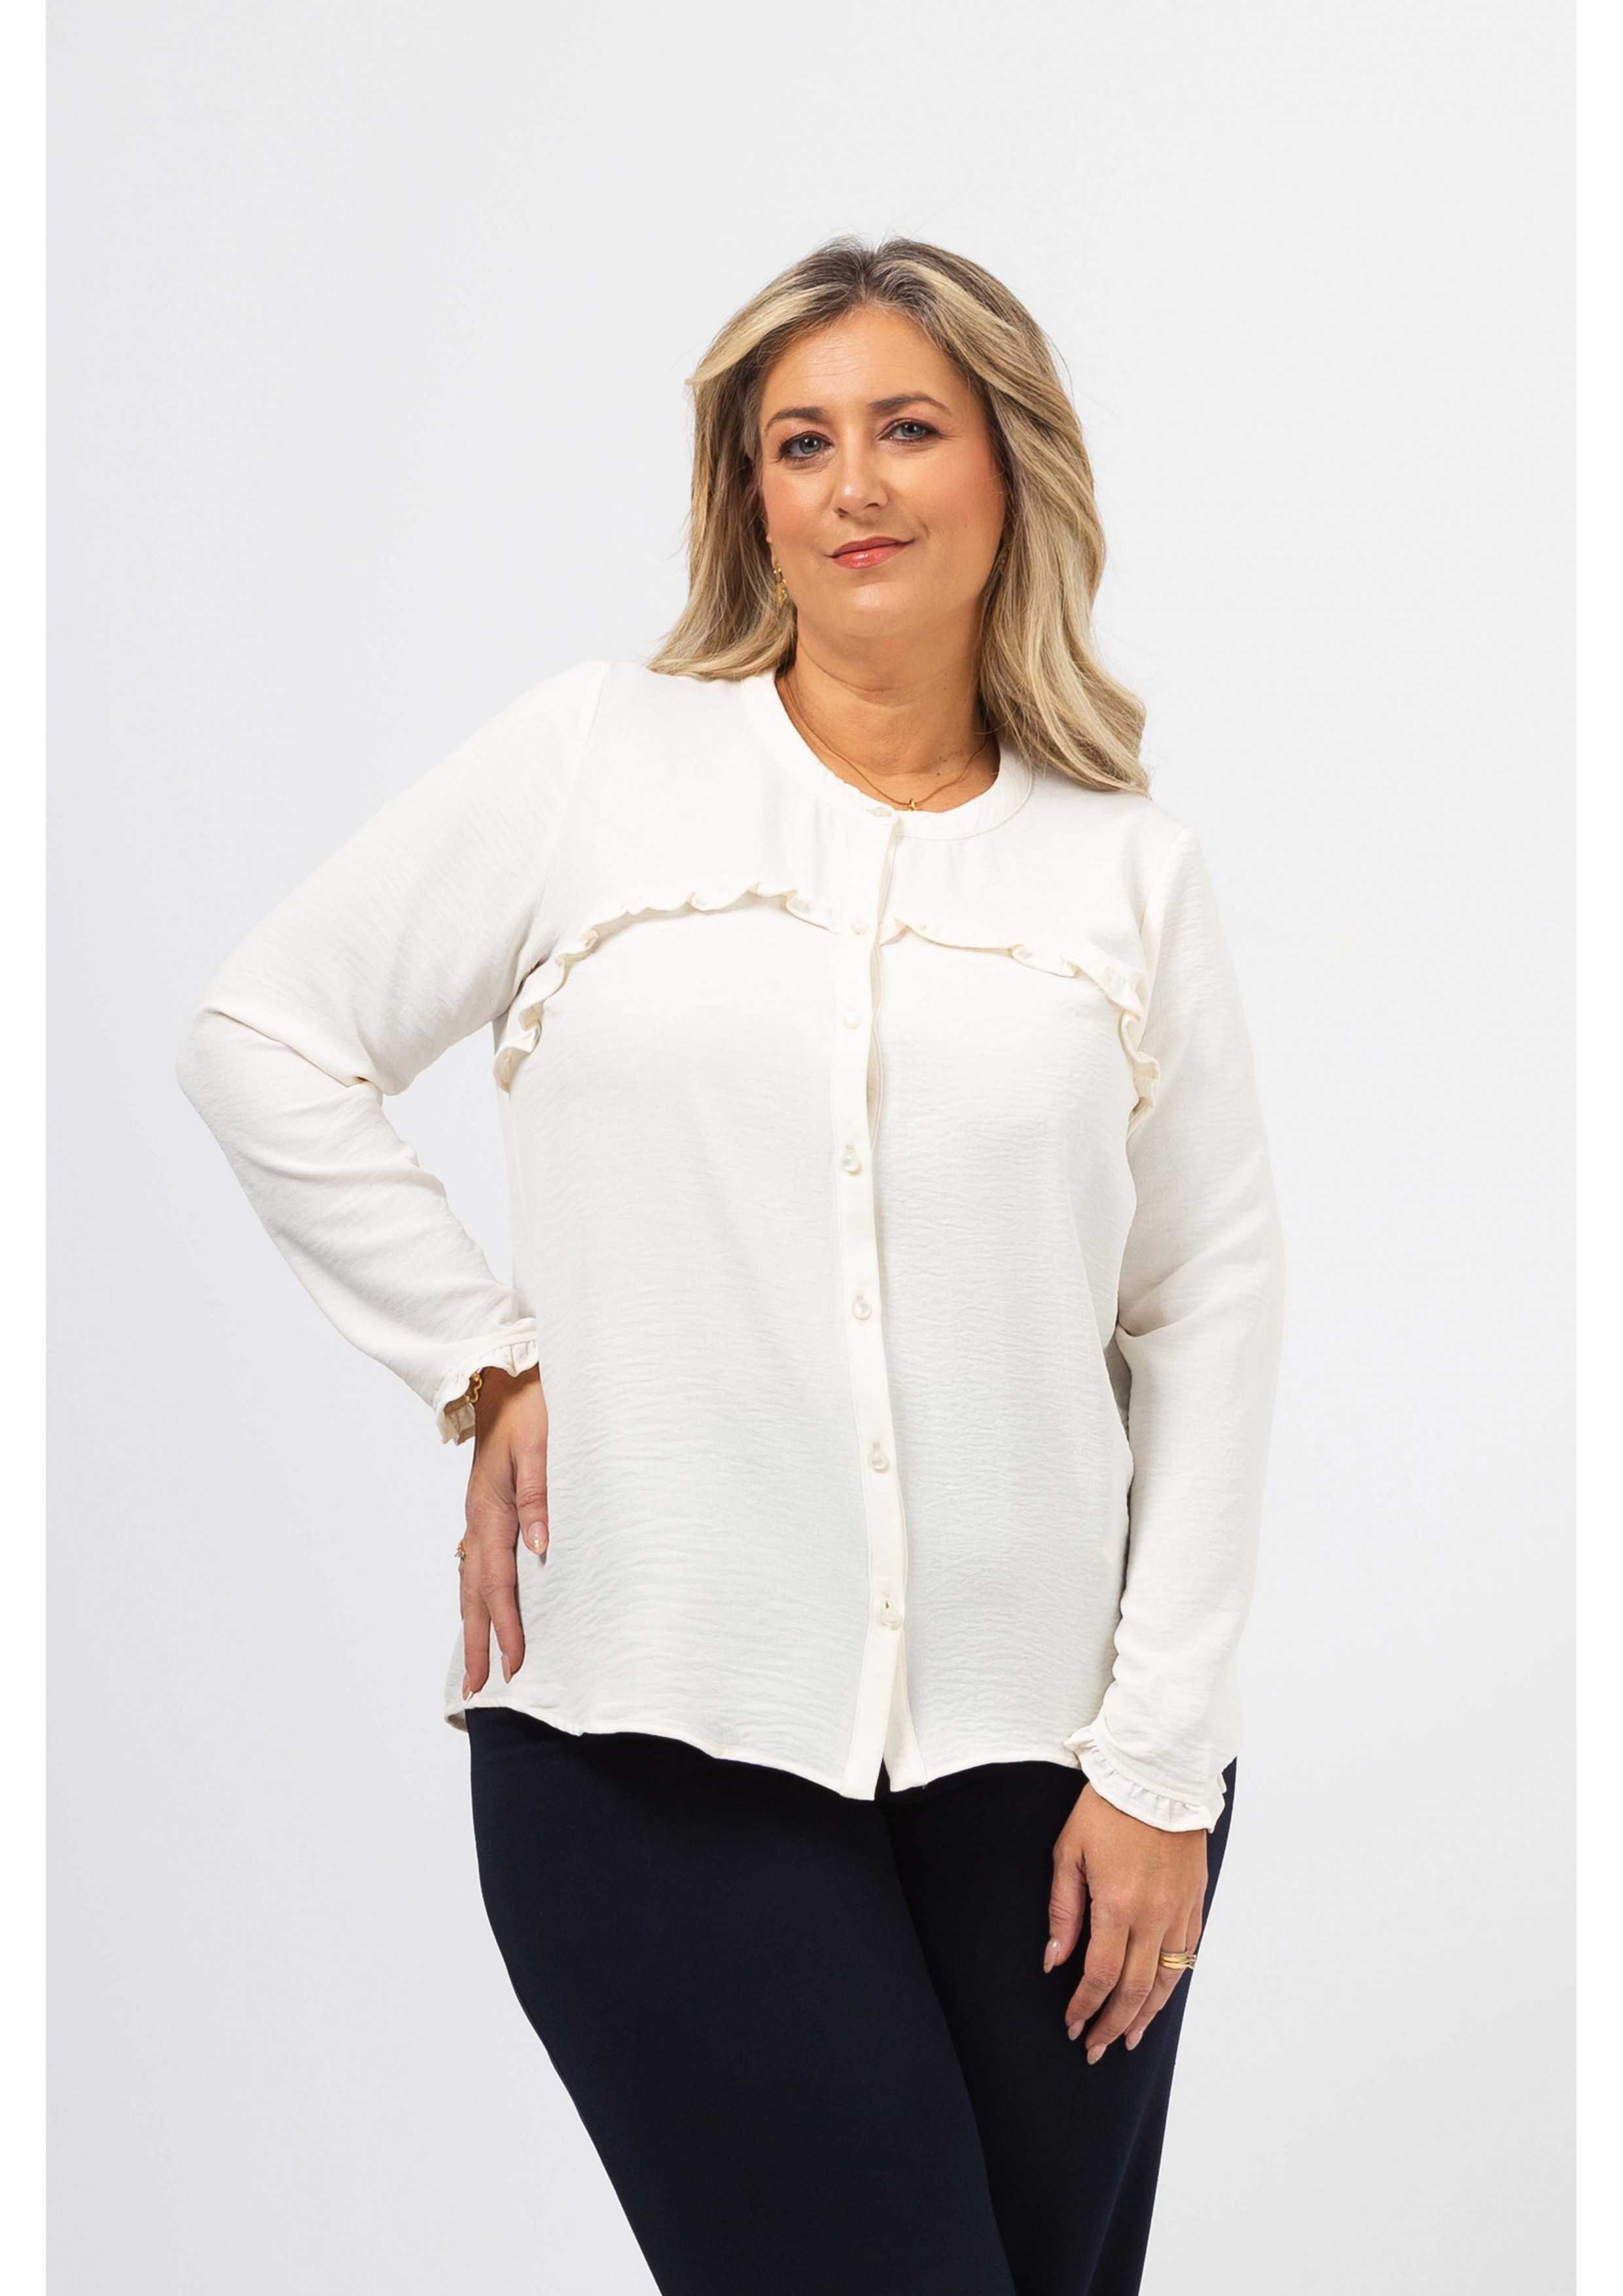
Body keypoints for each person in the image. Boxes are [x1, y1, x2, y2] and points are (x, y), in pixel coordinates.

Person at [175, 234, 1287, 2295]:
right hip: (648, 1740)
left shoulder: (1126, 872)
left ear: (1011, 469)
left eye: (907, 428)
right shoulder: (598, 761)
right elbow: (267, 1033)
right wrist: (481, 1352)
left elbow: (1206, 1310)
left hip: (1062, 1787)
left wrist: (1161, 1763)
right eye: (800, 442)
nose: (852, 482)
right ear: (749, 498)